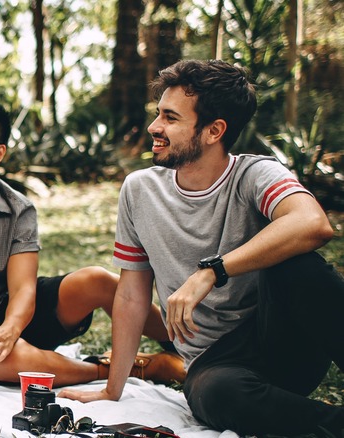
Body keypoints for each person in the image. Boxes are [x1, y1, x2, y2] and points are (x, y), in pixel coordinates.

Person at [58, 59, 344, 436]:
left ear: (214, 131)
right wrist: (114, 387)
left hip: (281, 339)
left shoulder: (255, 174)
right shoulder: (141, 190)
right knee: (213, 393)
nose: (154, 127)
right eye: (158, 113)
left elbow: (313, 224)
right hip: (216, 364)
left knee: (298, 266)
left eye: (170, 118)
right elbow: (130, 295)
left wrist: (212, 270)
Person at [0, 91, 185, 387]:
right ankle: (129, 368)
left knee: (97, 280)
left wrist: (10, 329)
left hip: (15, 313)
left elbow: (23, 288)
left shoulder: (18, 209)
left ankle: (188, 348)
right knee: (2, 359)